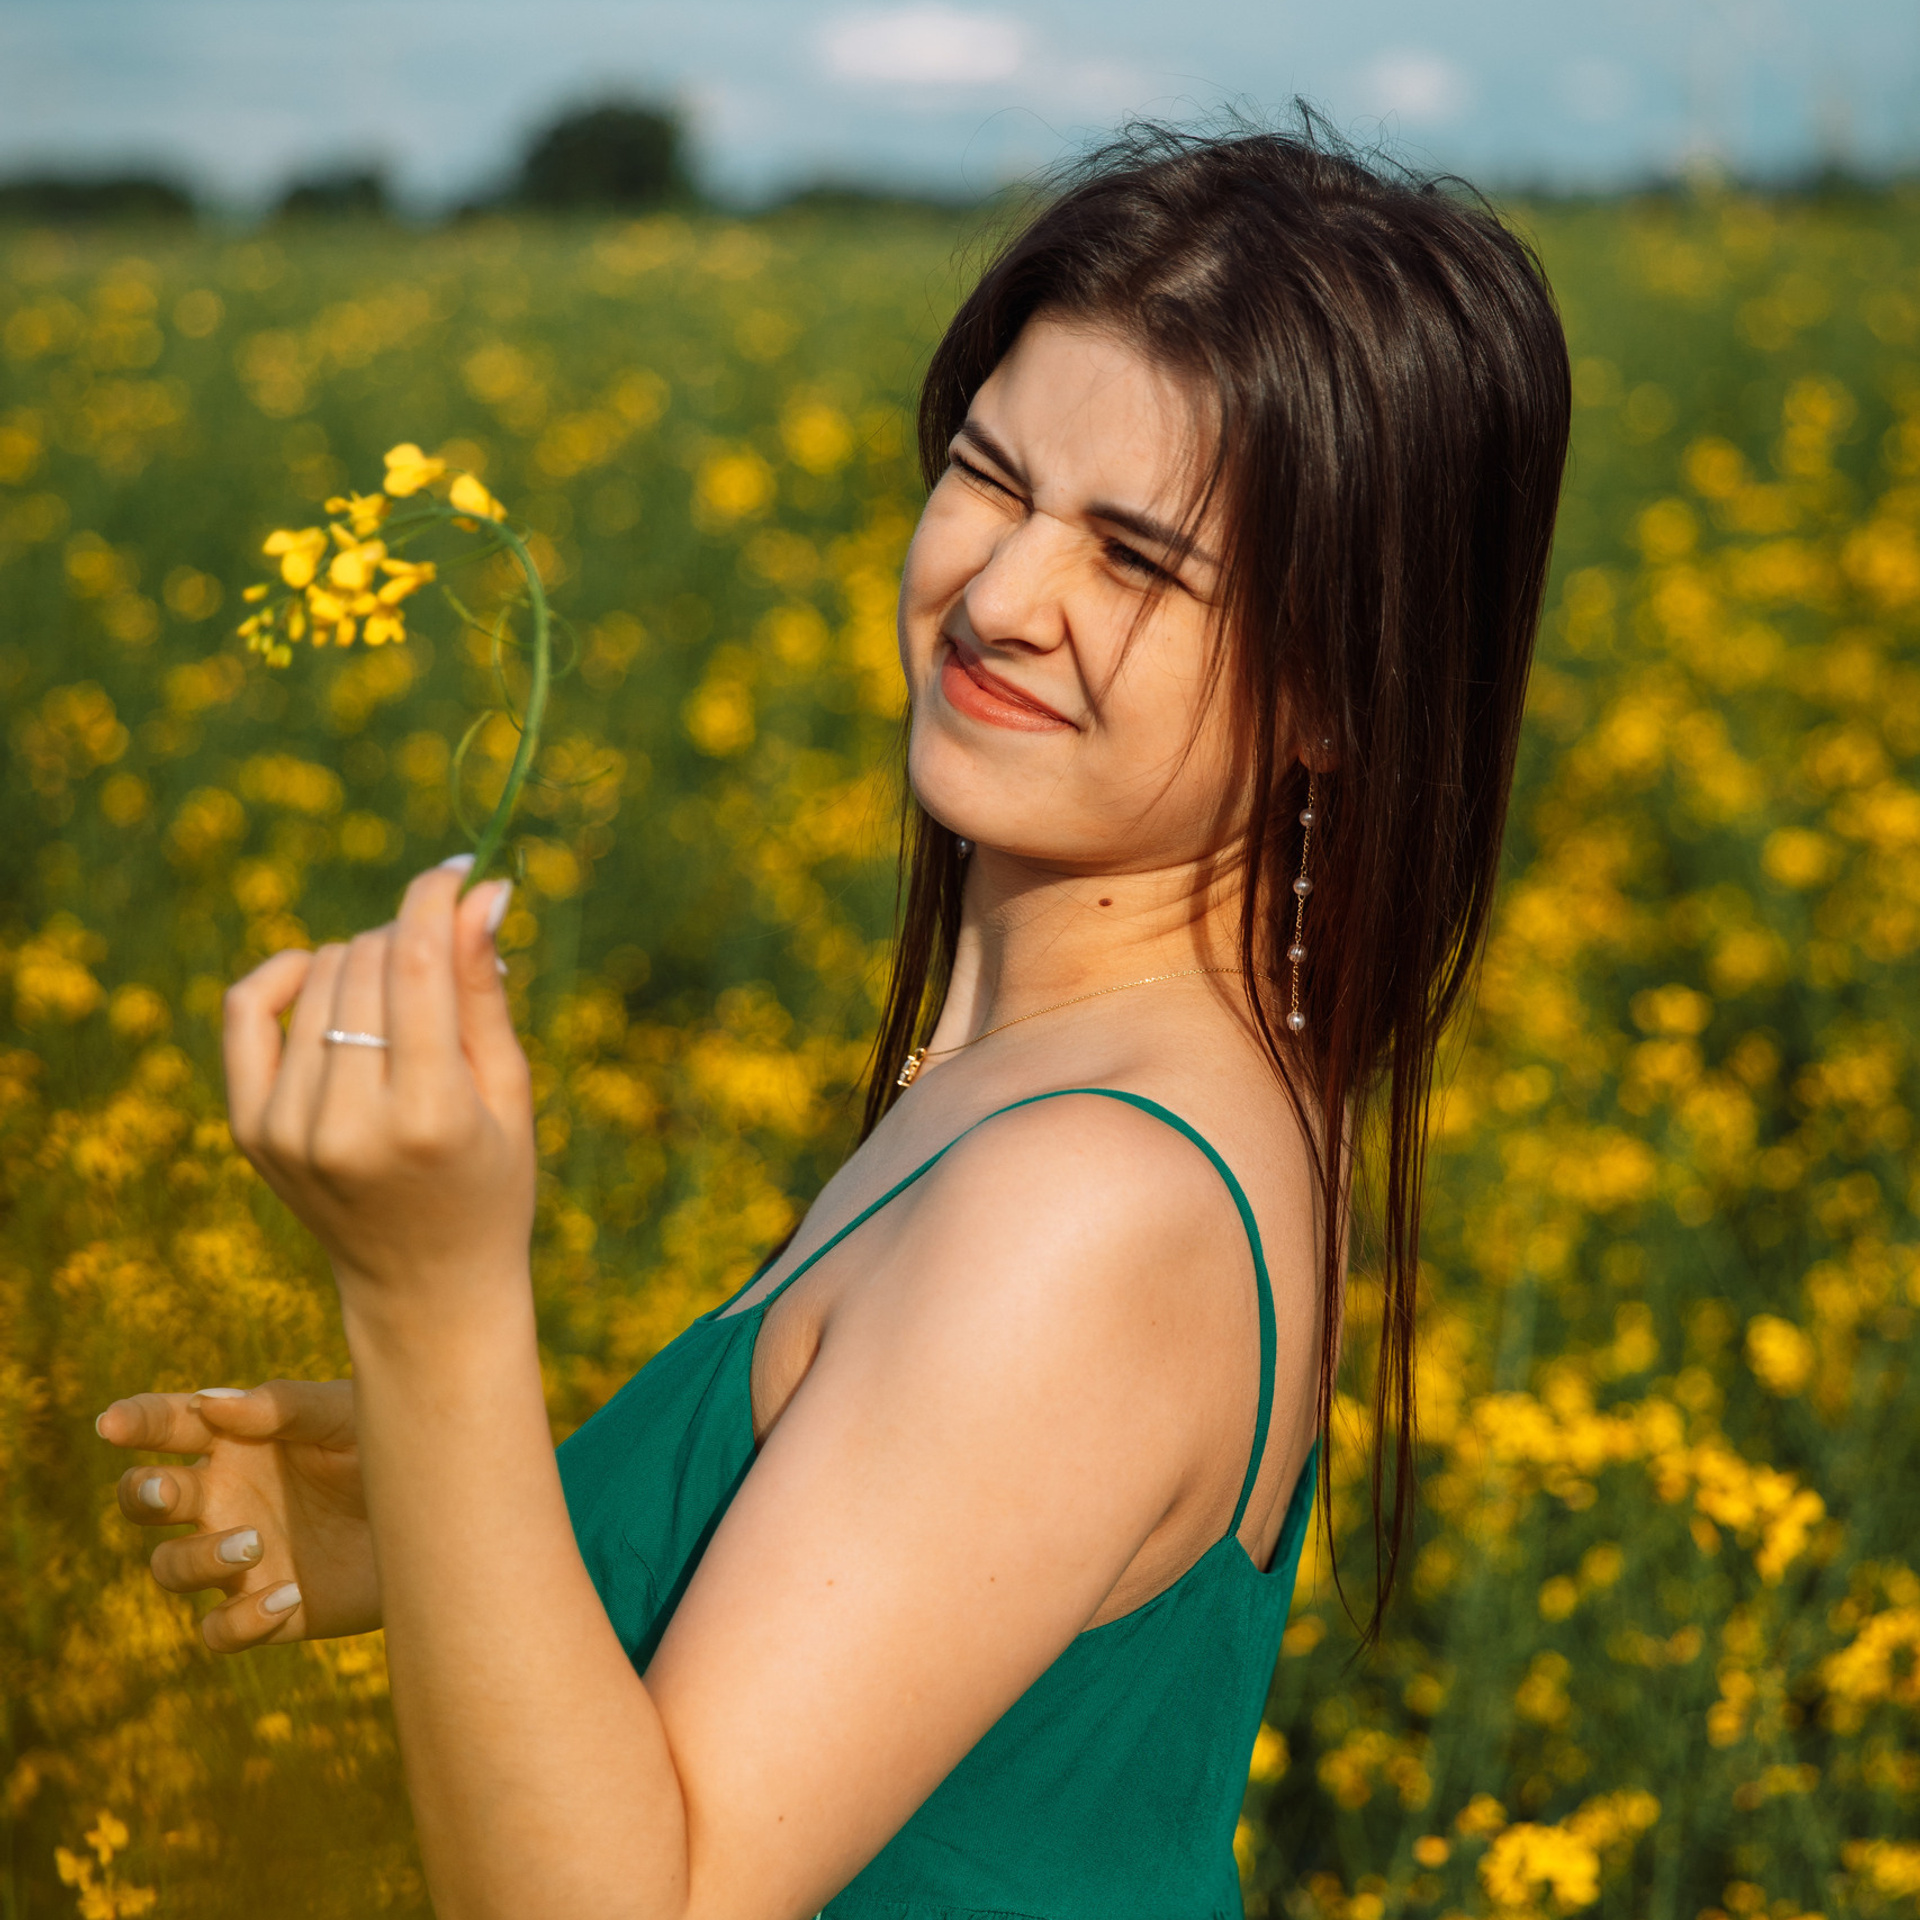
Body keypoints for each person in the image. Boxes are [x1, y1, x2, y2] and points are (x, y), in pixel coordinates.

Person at [95, 121, 1570, 1919]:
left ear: (1344, 686)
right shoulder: (1114, 1080)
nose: (1004, 598)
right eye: (989, 479)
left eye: (1136, 560)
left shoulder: (1091, 1204)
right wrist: (447, 1503)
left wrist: (432, 1306)